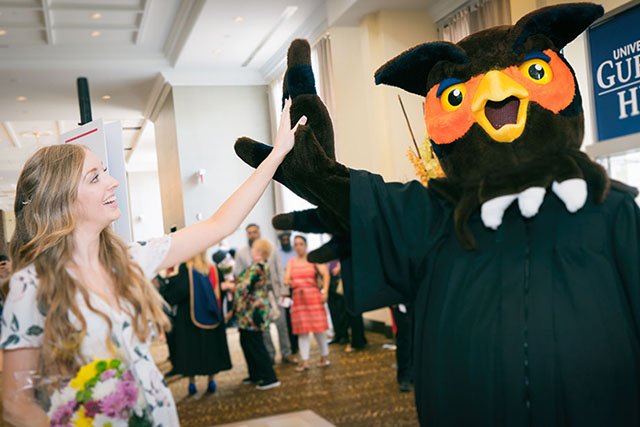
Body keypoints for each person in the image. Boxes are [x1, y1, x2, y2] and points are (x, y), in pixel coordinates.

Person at [0, 99, 304, 426]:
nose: (112, 181)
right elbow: (16, 402)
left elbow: (220, 224)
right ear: (62, 200)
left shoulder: (127, 259)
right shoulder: (30, 285)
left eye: (104, 171)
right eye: (94, 177)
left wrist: (277, 154)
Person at [160, 252, 232, 396]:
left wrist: (165, 288)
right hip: (211, 315)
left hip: (188, 317)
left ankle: (191, 383)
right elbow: (220, 294)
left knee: (190, 349)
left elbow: (179, 291)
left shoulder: (185, 269)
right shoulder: (213, 269)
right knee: (210, 347)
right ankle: (211, 380)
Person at [233, 224, 295, 364]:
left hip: (275, 292)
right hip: (257, 297)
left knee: (282, 324)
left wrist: (284, 292)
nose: (252, 235)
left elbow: (280, 270)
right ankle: (270, 355)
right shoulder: (242, 253)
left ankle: (287, 353)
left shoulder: (271, 249)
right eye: (249, 233)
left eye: (255, 232)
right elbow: (238, 274)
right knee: (264, 328)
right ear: (246, 235)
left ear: (259, 233)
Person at [232, 239, 280, 390]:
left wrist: (229, 285)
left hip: (254, 312)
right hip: (247, 312)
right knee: (247, 342)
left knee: (256, 344)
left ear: (259, 252)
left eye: (253, 249)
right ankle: (255, 374)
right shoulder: (254, 266)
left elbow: (243, 286)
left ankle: (269, 377)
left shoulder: (258, 267)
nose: (251, 250)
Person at [285, 235, 330, 371]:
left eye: (301, 244)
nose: (298, 246)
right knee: (302, 332)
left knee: (318, 330)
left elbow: (326, 274)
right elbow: (286, 279)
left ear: (306, 245)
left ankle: (325, 357)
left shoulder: (313, 259)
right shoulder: (292, 262)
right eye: (296, 244)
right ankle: (305, 361)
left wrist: (325, 292)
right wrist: (292, 282)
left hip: (314, 297)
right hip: (299, 299)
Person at [327, 260, 367, 352]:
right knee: (347, 312)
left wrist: (341, 268)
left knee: (351, 312)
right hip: (344, 281)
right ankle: (357, 340)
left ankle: (357, 342)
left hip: (348, 282)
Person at [276, 231, 298, 354]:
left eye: (287, 239)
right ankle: (292, 345)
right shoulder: (277, 253)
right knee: (288, 319)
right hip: (285, 290)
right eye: (283, 239)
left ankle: (298, 343)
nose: (285, 241)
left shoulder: (295, 251)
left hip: (296, 287)